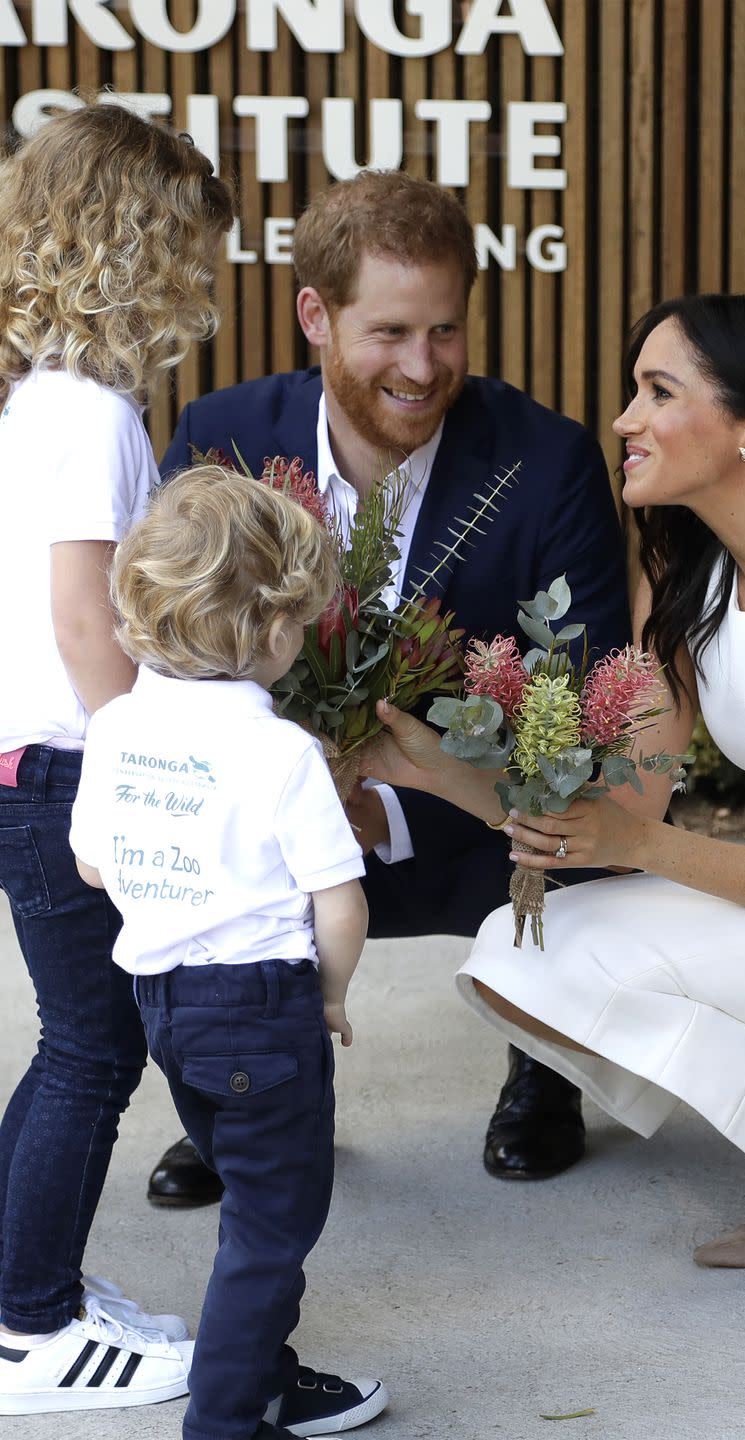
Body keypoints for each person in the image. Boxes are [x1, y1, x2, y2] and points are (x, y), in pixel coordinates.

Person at [361, 292, 745, 1297]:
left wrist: (642, 851)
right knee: (519, 952)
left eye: (658, 391)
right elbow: (618, 814)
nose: (625, 420)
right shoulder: (696, 584)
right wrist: (419, 764)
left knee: (575, 951)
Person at [149, 167, 631, 1205]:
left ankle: (546, 1064)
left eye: (446, 331)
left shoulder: (546, 459)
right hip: (274, 830)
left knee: (594, 819)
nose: (425, 366)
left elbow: (583, 691)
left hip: (468, 825)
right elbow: (173, 666)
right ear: (315, 315)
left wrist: (400, 785)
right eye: (392, 333)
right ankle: (247, 1092)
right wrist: (299, 781)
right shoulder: (221, 439)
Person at [69, 466, 388, 1440]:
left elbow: (90, 863)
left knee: (250, 1200)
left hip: (165, 1010)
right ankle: (224, 1421)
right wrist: (330, 995)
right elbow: (342, 906)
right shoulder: (279, 751)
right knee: (272, 1226)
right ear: (275, 630)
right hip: (263, 1011)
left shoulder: (117, 725)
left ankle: (266, 1372)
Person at [0, 103, 234, 1414]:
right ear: (126, 244)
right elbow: (87, 620)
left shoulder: (40, 397)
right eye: (185, 252)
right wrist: (156, 774)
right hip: (70, 774)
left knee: (74, 1041)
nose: (195, 285)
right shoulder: (85, 410)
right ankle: (29, 1329)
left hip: (28, 769)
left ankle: (20, 1294)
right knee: (92, 1050)